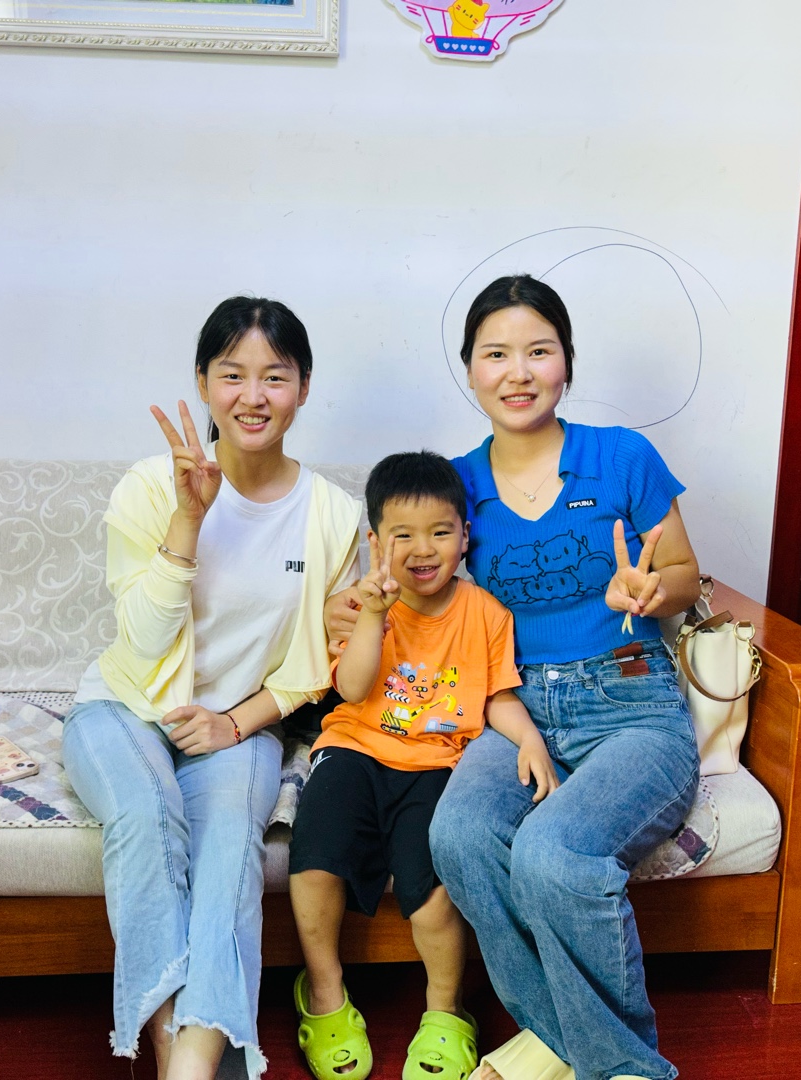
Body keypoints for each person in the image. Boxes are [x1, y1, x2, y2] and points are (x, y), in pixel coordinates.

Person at [327, 276, 703, 1080]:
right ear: (470, 369)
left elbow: (680, 572)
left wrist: (650, 590)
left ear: (567, 360)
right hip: (512, 705)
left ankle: (614, 1067)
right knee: (459, 835)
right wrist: (355, 605)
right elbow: (411, 579)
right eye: (497, 354)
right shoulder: (457, 486)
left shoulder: (621, 456)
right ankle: (572, 1048)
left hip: (629, 698)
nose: (519, 372)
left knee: (554, 854)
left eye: (539, 351)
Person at [63, 296, 361, 1080]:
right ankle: (174, 1046)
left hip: (238, 724)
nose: (253, 396)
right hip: (124, 708)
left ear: (303, 388)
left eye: (275, 376)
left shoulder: (332, 514)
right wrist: (188, 520)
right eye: (232, 374)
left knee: (230, 847)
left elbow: (314, 663)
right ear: (203, 383)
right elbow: (142, 643)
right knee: (146, 813)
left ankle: (193, 1061)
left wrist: (236, 723)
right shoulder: (147, 487)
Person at [290, 451, 558, 1080]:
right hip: (353, 749)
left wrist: (530, 739)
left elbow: (496, 695)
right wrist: (374, 615)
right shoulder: (361, 607)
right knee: (315, 857)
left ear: (465, 536)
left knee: (432, 890)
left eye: (440, 531)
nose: (422, 549)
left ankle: (446, 1009)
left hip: (438, 763)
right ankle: (323, 990)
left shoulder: (486, 613)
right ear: (375, 543)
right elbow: (352, 689)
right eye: (402, 535)